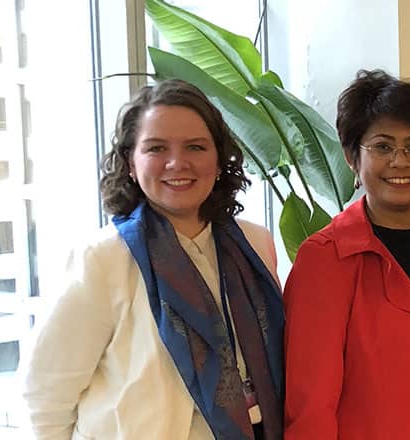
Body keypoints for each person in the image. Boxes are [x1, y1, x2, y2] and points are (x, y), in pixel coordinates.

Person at [23, 79, 285, 440]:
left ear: (220, 158)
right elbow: (47, 395)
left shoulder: (255, 242)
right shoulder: (104, 258)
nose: (178, 163)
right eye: (156, 148)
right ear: (131, 163)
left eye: (196, 146)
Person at [284, 70, 410, 440]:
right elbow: (310, 407)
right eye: (382, 146)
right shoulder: (325, 259)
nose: (400, 161)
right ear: (351, 158)